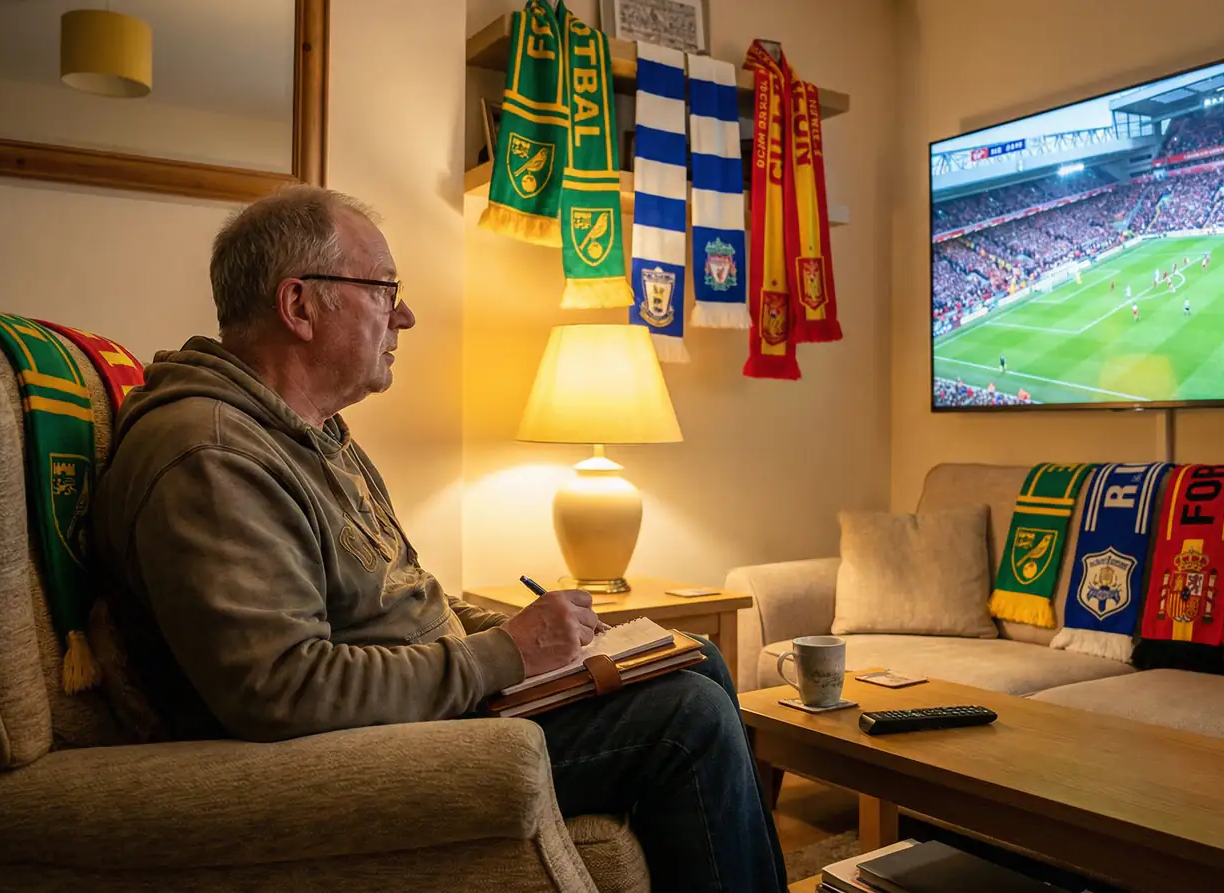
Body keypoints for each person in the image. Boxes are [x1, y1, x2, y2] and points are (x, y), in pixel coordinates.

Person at [89, 186, 788, 893]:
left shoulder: (314, 435)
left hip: (432, 709)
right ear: (299, 306)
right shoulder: (210, 458)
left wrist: (530, 637)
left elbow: (397, 594)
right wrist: (505, 652)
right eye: (383, 290)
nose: (405, 315)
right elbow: (280, 687)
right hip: (369, 751)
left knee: (691, 658)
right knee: (686, 718)